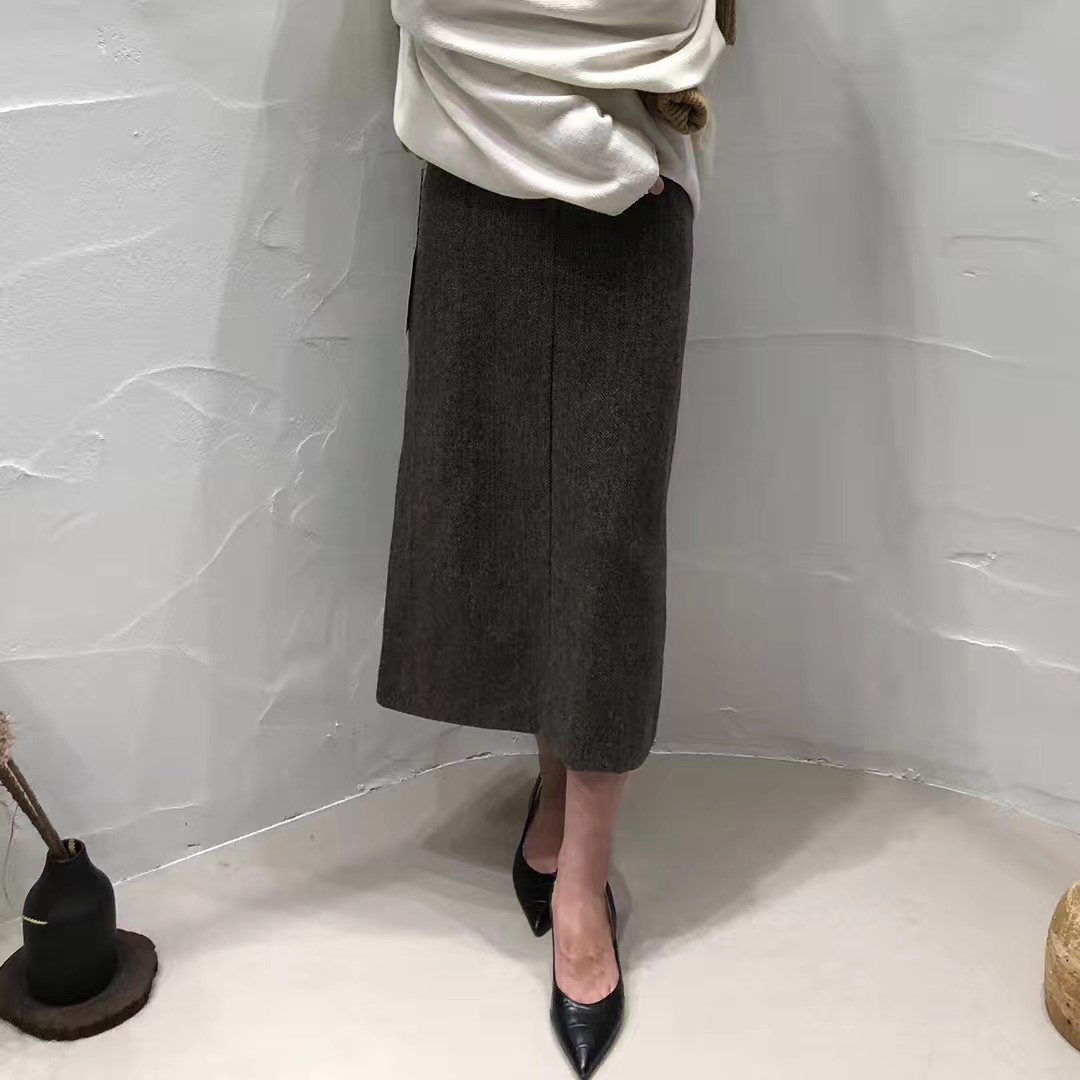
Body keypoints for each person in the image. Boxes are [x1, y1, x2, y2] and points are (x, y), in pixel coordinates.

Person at [377, 1, 729, 1074]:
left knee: (608, 543)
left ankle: (582, 884)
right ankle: (551, 805)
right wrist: (588, 143)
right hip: (478, 182)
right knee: (505, 513)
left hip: (634, 194)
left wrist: (617, 159)